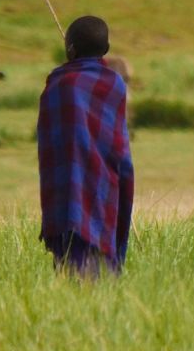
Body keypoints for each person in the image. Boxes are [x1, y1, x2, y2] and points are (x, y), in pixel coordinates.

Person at [37, 16, 134, 277]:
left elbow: (50, 147)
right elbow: (120, 146)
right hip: (106, 190)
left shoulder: (58, 85)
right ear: (106, 49)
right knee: (103, 272)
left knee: (72, 270)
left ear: (70, 49)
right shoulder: (115, 84)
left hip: (68, 196)